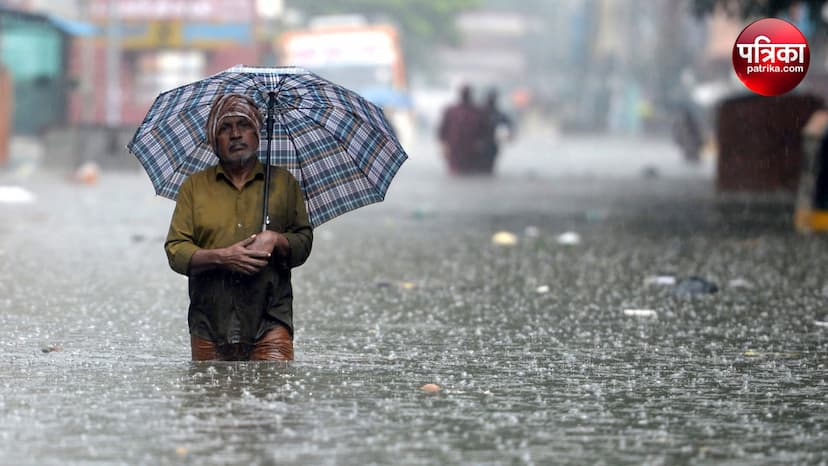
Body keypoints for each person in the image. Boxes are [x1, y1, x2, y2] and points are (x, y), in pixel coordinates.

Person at [164, 93, 313, 361]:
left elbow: (303, 243)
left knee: (273, 397)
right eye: (225, 128)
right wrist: (222, 257)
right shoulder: (194, 188)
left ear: (257, 134)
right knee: (210, 399)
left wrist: (276, 239)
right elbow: (176, 250)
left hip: (270, 321)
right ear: (214, 140)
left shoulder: (283, 184)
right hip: (209, 324)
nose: (235, 135)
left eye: (243, 125)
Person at [437, 84, 488, 175]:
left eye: (467, 93)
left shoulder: (477, 111)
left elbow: (483, 130)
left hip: (471, 150)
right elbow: (443, 129)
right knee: (456, 171)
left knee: (469, 172)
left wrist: (481, 143)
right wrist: (443, 145)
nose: (465, 95)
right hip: (455, 148)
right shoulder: (451, 111)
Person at [480, 89, 515, 174]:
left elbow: (509, 124)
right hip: (482, 144)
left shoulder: (496, 113)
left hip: (490, 145)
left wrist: (509, 135)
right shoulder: (480, 112)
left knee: (487, 169)